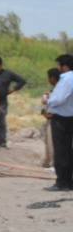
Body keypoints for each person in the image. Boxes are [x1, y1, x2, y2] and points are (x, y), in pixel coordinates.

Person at [42, 55, 73, 191]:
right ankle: (69, 181)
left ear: (64, 66)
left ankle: (62, 182)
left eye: (59, 65)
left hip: (62, 118)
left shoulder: (66, 78)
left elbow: (59, 99)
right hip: (70, 117)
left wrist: (48, 100)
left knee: (60, 151)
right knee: (69, 150)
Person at [0, 56, 27, 148]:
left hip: (2, 102)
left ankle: (2, 140)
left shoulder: (7, 74)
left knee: (1, 120)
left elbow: (22, 81)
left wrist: (12, 89)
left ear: (1, 65)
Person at [40, 68, 60, 169]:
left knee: (52, 143)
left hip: (56, 118)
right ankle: (49, 162)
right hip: (50, 117)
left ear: (53, 78)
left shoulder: (60, 90)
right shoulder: (55, 89)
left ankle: (54, 164)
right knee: (48, 142)